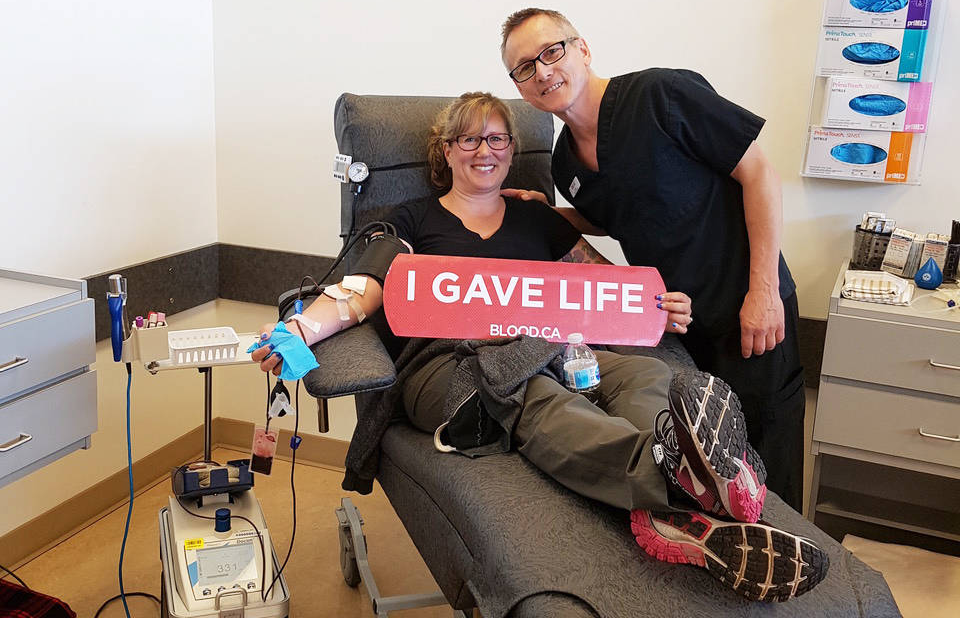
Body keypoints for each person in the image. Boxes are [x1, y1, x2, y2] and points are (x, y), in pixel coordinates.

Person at [251, 93, 827, 601]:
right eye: (469, 138)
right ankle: (669, 482)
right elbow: (359, 292)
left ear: (510, 150)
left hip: (550, 346)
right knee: (540, 397)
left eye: (498, 138)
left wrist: (659, 310)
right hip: (449, 367)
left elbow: (606, 291)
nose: (486, 149)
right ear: (445, 151)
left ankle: (688, 480)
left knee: (643, 379)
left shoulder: (538, 219)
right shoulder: (411, 219)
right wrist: (298, 332)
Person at [500, 8, 806, 513]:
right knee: (709, 465)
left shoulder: (661, 96)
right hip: (677, 325)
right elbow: (621, 213)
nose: (542, 71)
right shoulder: (565, 162)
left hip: (748, 308)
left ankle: (796, 573)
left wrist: (765, 292)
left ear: (582, 49)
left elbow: (759, 174)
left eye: (550, 51)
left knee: (767, 465)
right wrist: (554, 213)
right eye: (524, 68)